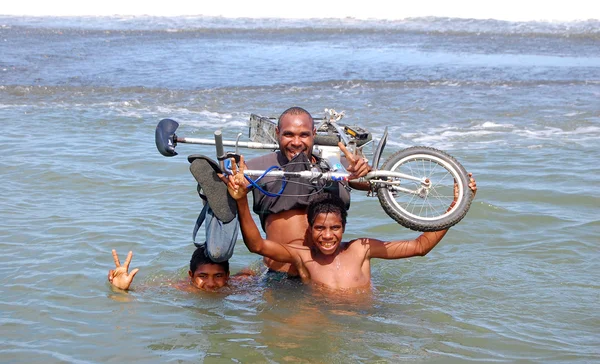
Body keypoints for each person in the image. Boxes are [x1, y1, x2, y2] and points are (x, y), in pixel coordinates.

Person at [227, 156, 477, 290]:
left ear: (343, 228)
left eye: (334, 228)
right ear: (310, 230)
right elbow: (257, 245)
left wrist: (457, 205)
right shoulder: (302, 256)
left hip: (364, 323)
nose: (327, 235)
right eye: (320, 228)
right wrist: (241, 201)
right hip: (325, 321)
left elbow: (420, 246)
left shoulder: (361, 249)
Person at [243, 107, 372, 275]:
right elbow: (227, 188)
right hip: (280, 276)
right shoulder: (257, 168)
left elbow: (374, 184)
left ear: (314, 134)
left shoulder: (337, 165)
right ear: (277, 133)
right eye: (289, 134)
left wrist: (364, 170)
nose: (296, 142)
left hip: (328, 275)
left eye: (303, 135)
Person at [107, 244, 237, 292]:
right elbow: (145, 290)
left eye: (218, 276)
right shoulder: (181, 288)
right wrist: (120, 288)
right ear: (191, 275)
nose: (210, 283)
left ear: (227, 275)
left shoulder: (237, 287)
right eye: (202, 276)